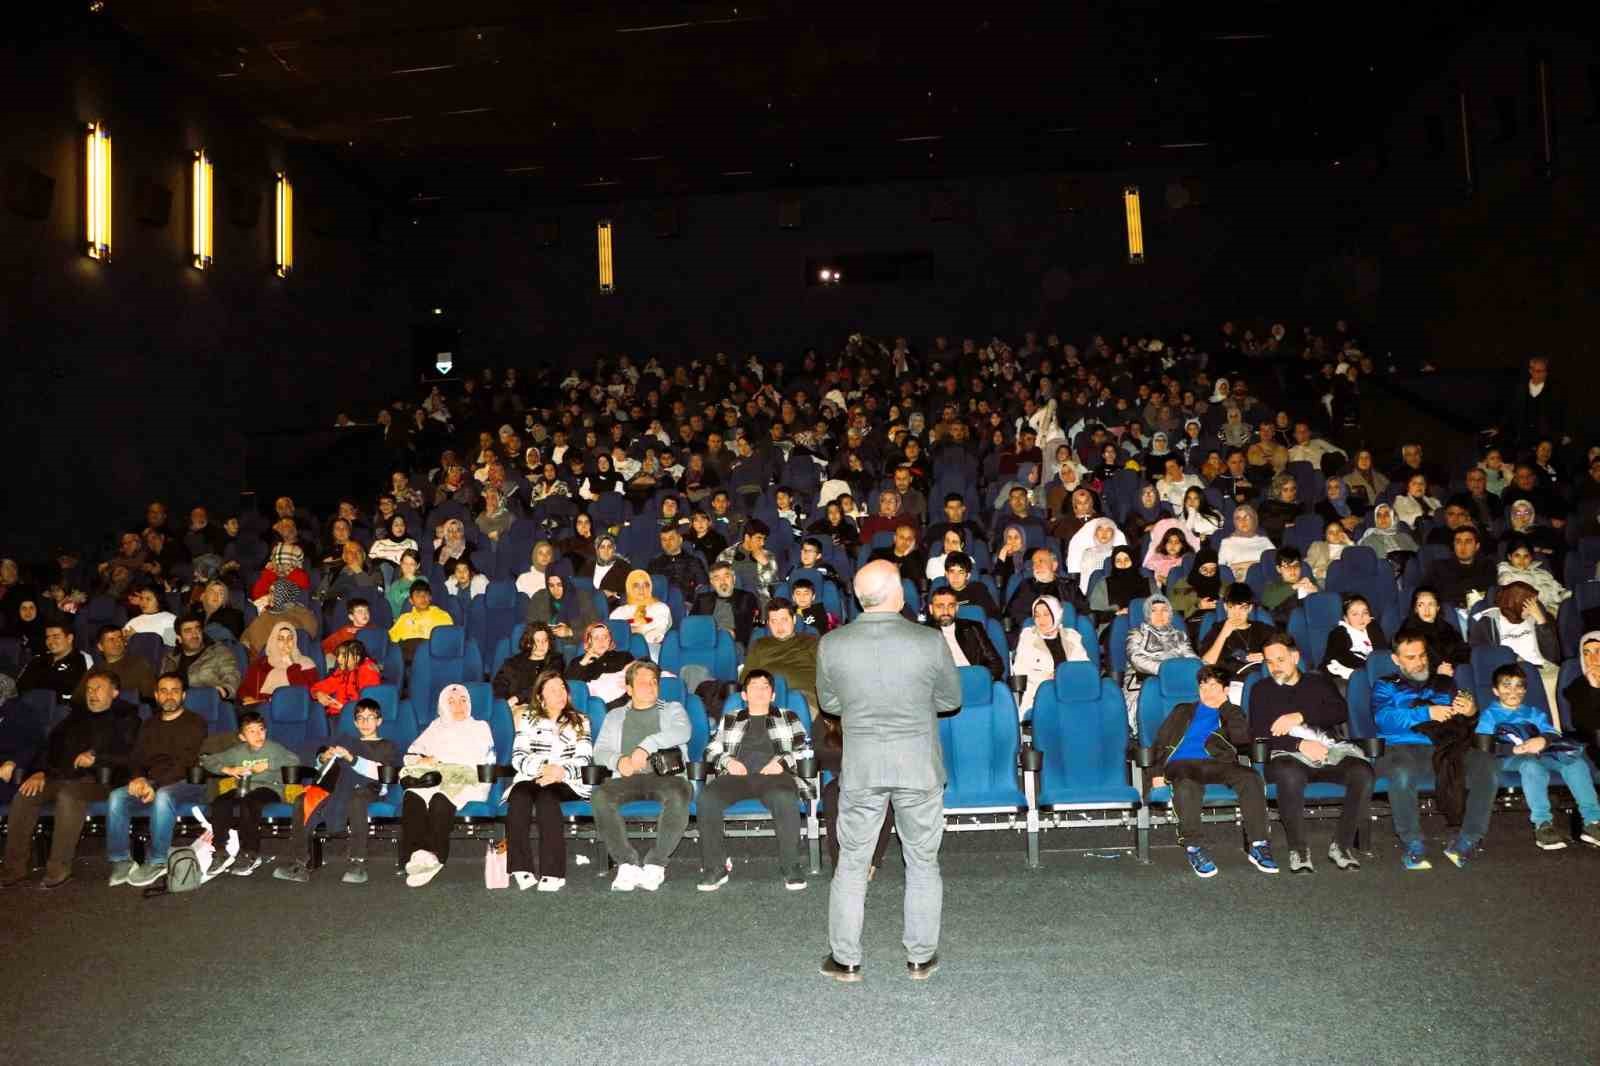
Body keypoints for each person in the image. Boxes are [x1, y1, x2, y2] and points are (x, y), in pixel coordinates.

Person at [817, 559, 962, 982]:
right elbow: (950, 699)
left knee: (851, 863)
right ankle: (920, 958)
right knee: (921, 861)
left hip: (862, 766)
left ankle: (845, 959)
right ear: (897, 594)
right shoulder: (929, 640)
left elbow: (830, 704)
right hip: (917, 765)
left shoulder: (833, 643)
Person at [0, 668, 140, 888]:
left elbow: (130, 754)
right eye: (89, 689)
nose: (92, 693)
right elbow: (48, 747)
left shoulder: (127, 717)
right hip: (60, 777)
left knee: (69, 794)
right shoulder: (75, 716)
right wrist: (39, 771)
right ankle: (14, 868)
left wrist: (95, 757)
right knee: (25, 794)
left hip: (101, 781)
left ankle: (58, 869)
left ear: (114, 693)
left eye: (98, 688)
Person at [1373, 630, 1497, 870]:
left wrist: (1470, 711)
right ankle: (1413, 842)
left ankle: (1468, 839)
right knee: (1402, 770)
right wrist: (1427, 713)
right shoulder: (1385, 685)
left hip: (1443, 749)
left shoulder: (1444, 683)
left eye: (1422, 656)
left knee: (1487, 763)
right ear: (1396, 659)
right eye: (1410, 657)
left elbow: (1464, 724)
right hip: (1400, 749)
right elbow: (1384, 718)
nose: (1419, 662)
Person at [1253, 634, 1374, 872]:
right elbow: (1258, 733)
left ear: (1295, 657)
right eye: (1270, 662)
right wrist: (1298, 745)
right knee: (1290, 775)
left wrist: (1300, 716)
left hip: (1328, 749)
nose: (1275, 667)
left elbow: (1339, 712)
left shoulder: (1318, 682)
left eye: (1280, 660)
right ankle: (1298, 849)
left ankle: (1341, 845)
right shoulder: (1261, 689)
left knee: (1363, 772)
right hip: (1286, 755)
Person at [1146, 665, 1276, 878]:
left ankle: (1259, 844)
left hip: (1219, 764)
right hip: (1182, 763)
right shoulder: (1182, 711)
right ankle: (1193, 846)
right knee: (1187, 783)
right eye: (1203, 686)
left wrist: (1226, 707)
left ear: (1225, 690)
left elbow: (1242, 738)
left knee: (1251, 777)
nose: (1207, 691)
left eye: (1213, 686)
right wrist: (1156, 773)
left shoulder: (1231, 713)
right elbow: (1160, 743)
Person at [697, 669, 814, 891]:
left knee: (783, 798)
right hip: (737, 776)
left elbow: (803, 749)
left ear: (773, 695)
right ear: (744, 694)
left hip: (775, 776)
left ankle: (791, 866)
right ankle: (716, 867)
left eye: (765, 687)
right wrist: (728, 761)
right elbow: (711, 749)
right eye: (754, 687)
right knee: (707, 799)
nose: (760, 691)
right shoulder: (731, 719)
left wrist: (781, 762)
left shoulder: (788, 716)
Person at [273, 697, 400, 884]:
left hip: (368, 787)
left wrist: (351, 757)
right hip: (338, 786)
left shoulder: (387, 745)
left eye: (370, 717)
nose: (365, 722)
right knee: (303, 799)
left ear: (379, 721)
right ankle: (300, 863)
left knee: (357, 800)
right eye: (360, 718)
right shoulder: (345, 743)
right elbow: (325, 773)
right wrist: (324, 758)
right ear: (355, 722)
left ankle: (358, 862)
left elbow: (384, 774)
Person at [590, 660, 693, 892]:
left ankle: (656, 864)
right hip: (627, 776)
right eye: (643, 682)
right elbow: (600, 751)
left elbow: (683, 731)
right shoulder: (615, 715)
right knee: (600, 796)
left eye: (654, 682)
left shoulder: (672, 708)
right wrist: (619, 761)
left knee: (679, 793)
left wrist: (647, 746)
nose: (650, 686)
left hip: (666, 776)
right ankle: (627, 863)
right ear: (629, 689)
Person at [1475, 663, 1600, 851]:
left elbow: (1552, 733)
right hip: (1508, 757)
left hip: (1540, 752)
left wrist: (1542, 739)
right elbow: (1483, 747)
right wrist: (1512, 750)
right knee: (1532, 765)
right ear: (1495, 690)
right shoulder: (1490, 715)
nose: (1513, 691)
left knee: (1576, 763)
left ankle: (1592, 822)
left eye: (1519, 686)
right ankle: (1543, 824)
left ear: (1525, 690)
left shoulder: (1533, 712)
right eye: (1506, 685)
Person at [104, 672, 209, 887]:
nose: (169, 696)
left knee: (163, 796)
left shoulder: (195, 722)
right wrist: (138, 778)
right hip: (153, 782)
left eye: (175, 690)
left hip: (188, 782)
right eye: (164, 691)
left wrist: (156, 785)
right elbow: (136, 758)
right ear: (156, 695)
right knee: (117, 797)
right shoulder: (149, 724)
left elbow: (186, 762)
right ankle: (121, 859)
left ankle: (158, 860)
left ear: (183, 695)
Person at [503, 671, 592, 891]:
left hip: (568, 780)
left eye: (562, 688)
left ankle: (553, 871)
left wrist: (559, 772)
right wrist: (544, 768)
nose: (560, 693)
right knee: (519, 795)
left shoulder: (581, 721)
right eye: (553, 689)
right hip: (534, 775)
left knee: (547, 796)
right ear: (541, 697)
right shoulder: (528, 719)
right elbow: (519, 756)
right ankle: (520, 866)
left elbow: (584, 757)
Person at [400, 683, 495, 887]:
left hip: (466, 780)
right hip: (435, 777)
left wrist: (453, 768)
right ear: (443, 705)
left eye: (463, 700)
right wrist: (422, 760)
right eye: (451, 702)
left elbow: (486, 760)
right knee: (412, 796)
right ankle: (415, 855)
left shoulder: (480, 726)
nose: (458, 706)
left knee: (439, 799)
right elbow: (411, 753)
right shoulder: (436, 726)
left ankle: (435, 856)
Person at [199, 709, 302, 877]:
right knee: (220, 802)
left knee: (250, 801)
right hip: (243, 788)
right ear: (242, 737)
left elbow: (294, 760)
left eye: (261, 729)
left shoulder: (274, 748)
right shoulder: (237, 752)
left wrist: (269, 764)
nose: (258, 734)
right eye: (251, 731)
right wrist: (228, 769)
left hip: (269, 789)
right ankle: (220, 851)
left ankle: (250, 853)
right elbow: (206, 760)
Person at [1467, 582, 1562, 717]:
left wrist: (1541, 621)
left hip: (1543, 668)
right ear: (1513, 603)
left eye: (1534, 604)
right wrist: (1515, 658)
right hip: (1512, 672)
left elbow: (1554, 653)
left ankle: (1555, 732)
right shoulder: (1488, 620)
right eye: (1528, 604)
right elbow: (1481, 655)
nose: (1532, 608)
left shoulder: (1536, 616)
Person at [1122, 594, 1197, 728]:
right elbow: (1136, 659)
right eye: (1154, 610)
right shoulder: (1136, 634)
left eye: (1164, 610)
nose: (1159, 614)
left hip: (1177, 680)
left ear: (1170, 614)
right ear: (1147, 614)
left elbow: (1192, 660)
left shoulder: (1180, 635)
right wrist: (1167, 671)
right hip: (1144, 682)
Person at [1010, 595, 1090, 716]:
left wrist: (1063, 676)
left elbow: (1085, 666)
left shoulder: (1072, 636)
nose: (1041, 620)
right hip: (1040, 694)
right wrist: (1046, 678)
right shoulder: (1027, 636)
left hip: (1072, 691)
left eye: (1046, 614)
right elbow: (1020, 669)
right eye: (1037, 615)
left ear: (1056, 614)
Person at [743, 598, 824, 713]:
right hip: (766, 697)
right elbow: (746, 678)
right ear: (768, 624)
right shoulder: (759, 644)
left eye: (784, 620)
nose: (779, 626)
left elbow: (827, 673)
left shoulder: (811, 641)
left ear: (794, 619)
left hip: (803, 698)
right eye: (773, 621)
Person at [1200, 583, 1273, 682]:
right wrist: (1223, 634)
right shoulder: (1217, 629)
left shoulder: (1263, 629)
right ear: (1225, 607)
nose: (1236, 614)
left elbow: (1285, 653)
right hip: (1229, 683)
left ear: (1250, 608)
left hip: (1262, 679)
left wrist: (1267, 656)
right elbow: (1206, 663)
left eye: (1242, 608)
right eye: (1232, 607)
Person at [237, 621, 321, 706]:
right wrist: (246, 698)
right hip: (264, 713)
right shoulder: (260, 664)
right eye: (281, 639)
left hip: (297, 711)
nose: (286, 643)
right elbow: (244, 690)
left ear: (295, 641)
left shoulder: (306, 664)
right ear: (274, 641)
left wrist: (291, 664)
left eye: (290, 638)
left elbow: (308, 695)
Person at [161, 615, 242, 700]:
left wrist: (223, 691)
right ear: (179, 638)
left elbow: (232, 677)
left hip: (209, 703)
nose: (195, 635)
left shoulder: (219, 652)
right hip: (176, 705)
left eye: (197, 629)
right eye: (188, 631)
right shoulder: (170, 658)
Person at [72, 624, 156, 706]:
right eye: (111, 639)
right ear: (100, 646)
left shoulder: (139, 663)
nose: (117, 643)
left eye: (120, 638)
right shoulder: (96, 669)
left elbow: (148, 697)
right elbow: (78, 698)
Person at [691, 561, 763, 658]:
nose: (723, 581)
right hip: (707, 641)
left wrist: (734, 633)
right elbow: (692, 625)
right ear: (712, 582)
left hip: (734, 643)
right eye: (717, 578)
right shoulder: (702, 599)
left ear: (733, 578)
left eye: (726, 576)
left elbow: (754, 625)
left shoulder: (747, 598)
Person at [1321, 594, 1388, 696]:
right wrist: (1370, 668)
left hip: (1370, 670)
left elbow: (1381, 651)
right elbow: (1343, 656)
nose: (1361, 618)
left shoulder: (1373, 628)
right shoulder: (1339, 632)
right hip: (1342, 672)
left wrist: (1372, 628)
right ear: (1346, 618)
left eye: (1365, 613)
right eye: (1355, 614)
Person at [493, 624, 566, 705]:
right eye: (537, 641)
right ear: (528, 643)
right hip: (512, 708)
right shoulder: (513, 662)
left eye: (545, 641)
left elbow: (544, 685)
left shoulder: (556, 661)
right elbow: (499, 685)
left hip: (540, 707)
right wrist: (506, 705)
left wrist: (517, 698)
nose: (541, 645)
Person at [564, 622, 634, 707]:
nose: (601, 641)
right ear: (589, 641)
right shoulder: (578, 661)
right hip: (592, 707)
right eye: (596, 638)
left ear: (610, 639)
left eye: (605, 637)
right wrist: (583, 663)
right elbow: (570, 687)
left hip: (622, 705)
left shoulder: (624, 657)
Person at [1401, 587, 1469, 675]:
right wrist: (1436, 670)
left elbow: (1463, 651)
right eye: (1421, 605)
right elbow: (1409, 661)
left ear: (1437, 607)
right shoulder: (1408, 630)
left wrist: (1450, 665)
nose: (1426, 610)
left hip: (1452, 672)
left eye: (1431, 604)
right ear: (1415, 609)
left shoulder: (1447, 627)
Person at [308, 639, 382, 718]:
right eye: (338, 655)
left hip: (355, 718)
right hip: (338, 714)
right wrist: (318, 694)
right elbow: (325, 684)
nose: (338, 659)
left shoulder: (368, 672)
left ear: (356, 658)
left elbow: (368, 705)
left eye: (344, 656)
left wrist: (344, 708)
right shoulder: (343, 671)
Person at [16, 621, 90, 699]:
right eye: (48, 637)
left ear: (69, 638)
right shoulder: (37, 659)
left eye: (56, 637)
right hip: (28, 706)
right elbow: (19, 687)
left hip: (62, 708)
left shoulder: (82, 659)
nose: (50, 642)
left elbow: (83, 693)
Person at [610, 569, 671, 661]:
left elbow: (658, 632)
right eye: (636, 585)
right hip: (623, 650)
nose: (641, 589)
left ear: (650, 587)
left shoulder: (661, 608)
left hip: (651, 648)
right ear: (629, 588)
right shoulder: (619, 612)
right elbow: (615, 634)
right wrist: (645, 629)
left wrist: (631, 631)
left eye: (646, 585)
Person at [387, 580, 455, 661]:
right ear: (411, 600)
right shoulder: (404, 619)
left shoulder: (442, 616)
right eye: (418, 595)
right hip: (409, 661)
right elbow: (390, 641)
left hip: (434, 659)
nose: (423, 598)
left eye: (426, 594)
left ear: (430, 598)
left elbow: (450, 642)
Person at [648, 523, 709, 603]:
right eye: (664, 539)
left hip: (686, 605)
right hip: (660, 605)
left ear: (680, 540)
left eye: (671, 538)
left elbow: (703, 586)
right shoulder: (654, 563)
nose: (668, 542)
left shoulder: (693, 561)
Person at [1261, 547, 1318, 628]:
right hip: (1286, 628)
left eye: (1296, 565)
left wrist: (1316, 592)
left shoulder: (1309, 582)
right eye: (1286, 566)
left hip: (1312, 625)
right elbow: (1267, 601)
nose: (1292, 570)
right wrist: (1295, 586)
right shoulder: (1273, 586)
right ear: (1278, 569)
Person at [1217, 505, 1274, 583]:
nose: (1242, 521)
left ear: (1253, 519)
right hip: (1241, 582)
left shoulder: (1264, 540)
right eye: (1238, 518)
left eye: (1246, 517)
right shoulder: (1227, 542)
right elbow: (1219, 567)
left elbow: (1275, 562)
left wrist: (1244, 565)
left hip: (1265, 580)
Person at [578, 533, 632, 609]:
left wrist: (614, 594)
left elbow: (630, 590)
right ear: (597, 550)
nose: (606, 551)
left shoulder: (624, 567)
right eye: (602, 547)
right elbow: (579, 586)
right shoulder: (588, 566)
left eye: (609, 547)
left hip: (613, 606)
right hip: (588, 606)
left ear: (614, 549)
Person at [385, 550, 424, 619]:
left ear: (417, 566)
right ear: (401, 564)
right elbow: (389, 608)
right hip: (402, 622)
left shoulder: (422, 579)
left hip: (420, 618)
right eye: (405, 563)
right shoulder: (395, 585)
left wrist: (414, 580)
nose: (408, 567)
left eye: (412, 564)